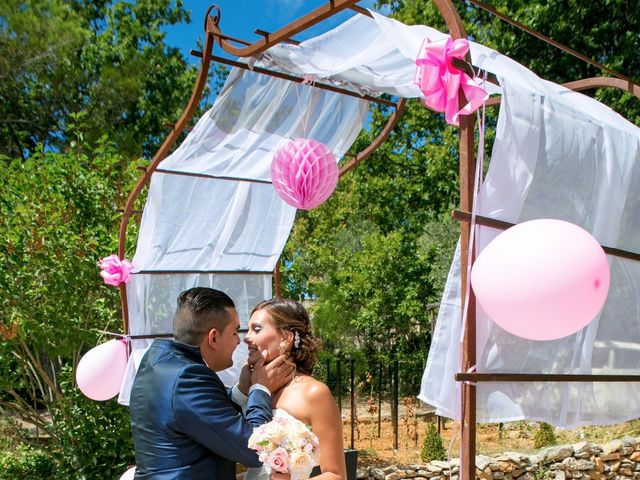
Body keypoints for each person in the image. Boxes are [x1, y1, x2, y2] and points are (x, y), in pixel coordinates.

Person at [129, 287, 294, 479]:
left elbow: (204, 418)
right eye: (234, 332)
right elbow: (256, 449)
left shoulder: (158, 361)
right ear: (213, 337)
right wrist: (260, 387)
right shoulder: (187, 378)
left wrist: (242, 389)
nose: (240, 341)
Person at [244, 298, 347, 480]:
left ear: (286, 338)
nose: (246, 337)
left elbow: (336, 475)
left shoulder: (313, 393)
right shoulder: (254, 390)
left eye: (256, 329)